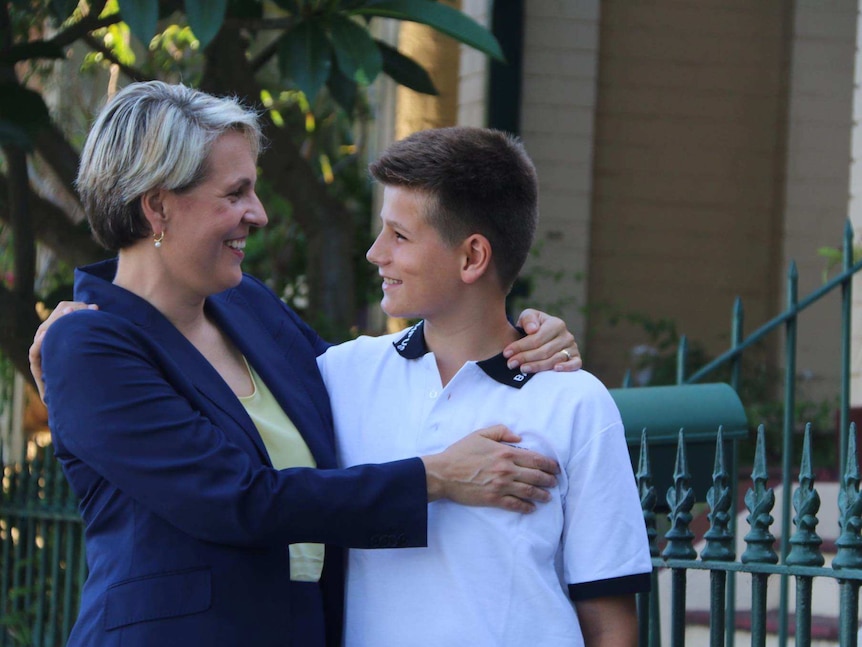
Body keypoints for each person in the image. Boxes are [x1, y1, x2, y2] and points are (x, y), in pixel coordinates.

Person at [28, 81, 581, 647]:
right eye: (235, 192)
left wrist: (515, 331)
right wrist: (436, 477)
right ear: (158, 206)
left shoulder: (248, 305)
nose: (259, 214)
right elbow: (236, 499)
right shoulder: (88, 346)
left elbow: (380, 382)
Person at [316, 127, 652, 646]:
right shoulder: (342, 375)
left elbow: (609, 620)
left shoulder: (575, 402)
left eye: (399, 236)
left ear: (472, 257)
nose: (375, 253)